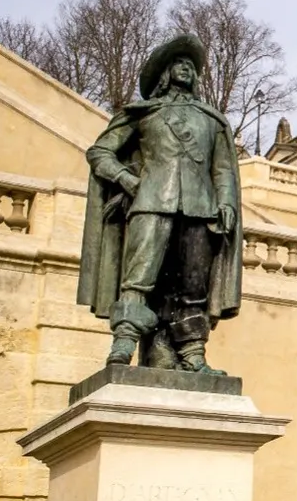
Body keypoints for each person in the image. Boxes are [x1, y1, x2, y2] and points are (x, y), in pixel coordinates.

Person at [77, 34, 242, 375]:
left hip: (201, 209)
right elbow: (100, 152)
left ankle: (193, 353)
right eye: (178, 63)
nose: (185, 68)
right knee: (139, 278)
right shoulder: (143, 113)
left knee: (192, 286)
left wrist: (226, 201)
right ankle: (124, 341)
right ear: (165, 73)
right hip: (151, 201)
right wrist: (126, 179)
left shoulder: (211, 120)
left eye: (190, 65)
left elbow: (223, 168)